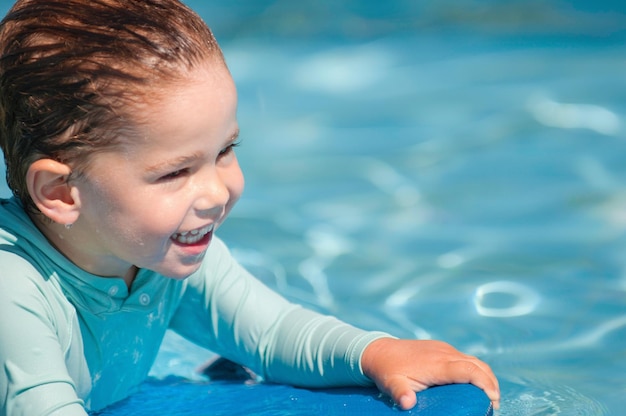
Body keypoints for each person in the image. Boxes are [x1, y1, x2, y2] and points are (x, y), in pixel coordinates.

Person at [0, 0, 500, 414]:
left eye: (225, 152)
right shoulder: (13, 291)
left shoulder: (163, 252)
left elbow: (271, 333)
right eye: (175, 172)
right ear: (63, 193)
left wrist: (375, 353)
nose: (217, 192)